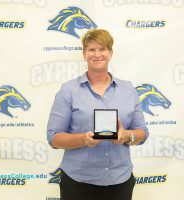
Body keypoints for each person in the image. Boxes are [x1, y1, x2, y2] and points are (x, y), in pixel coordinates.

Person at [47, 29, 149, 200]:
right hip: (78, 184)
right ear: (84, 54)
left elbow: (143, 133)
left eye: (102, 49)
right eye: (91, 49)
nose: (97, 54)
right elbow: (54, 138)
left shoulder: (128, 90)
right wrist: (84, 140)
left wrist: (125, 136)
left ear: (110, 53)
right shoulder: (68, 91)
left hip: (120, 182)